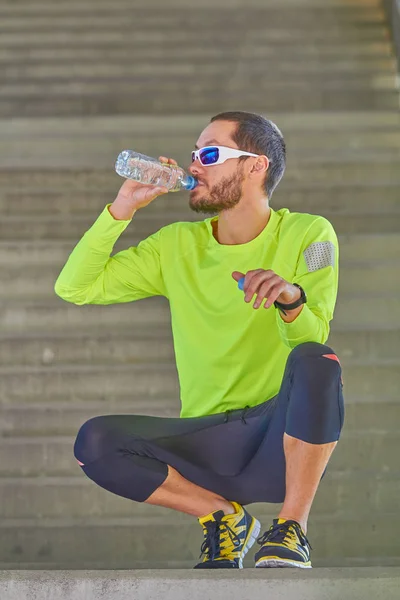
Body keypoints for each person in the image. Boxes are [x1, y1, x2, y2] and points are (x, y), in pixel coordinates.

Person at [54, 111, 344, 569]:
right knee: (96, 443)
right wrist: (121, 209)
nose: (193, 166)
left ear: (256, 166)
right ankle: (223, 516)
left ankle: (292, 528)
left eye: (209, 154)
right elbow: (75, 287)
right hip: (206, 446)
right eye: (194, 155)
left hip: (279, 441)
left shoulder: (310, 234)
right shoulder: (174, 246)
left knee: (318, 360)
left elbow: (312, 337)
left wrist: (290, 297)